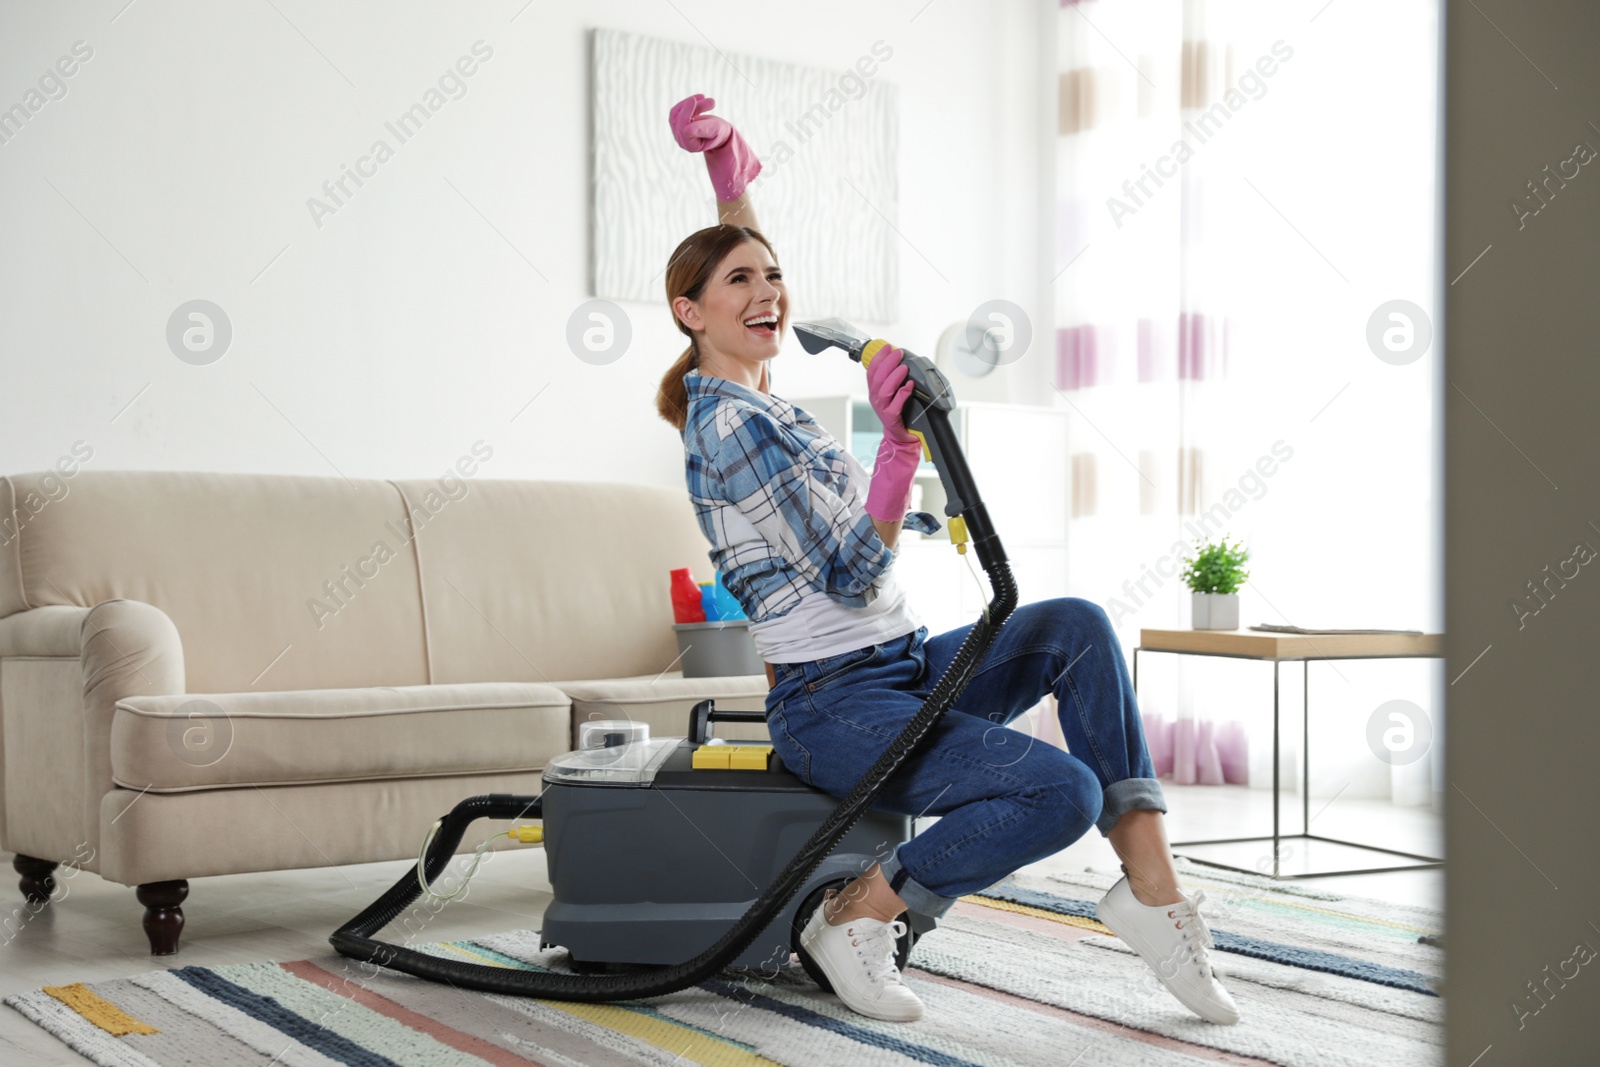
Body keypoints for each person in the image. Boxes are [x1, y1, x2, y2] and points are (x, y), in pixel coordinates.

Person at [655, 94, 1239, 1027]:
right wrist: (897, 449)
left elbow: (739, 264)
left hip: (899, 668)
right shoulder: (728, 425)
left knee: (1078, 627)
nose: (768, 291)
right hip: (830, 704)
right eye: (741, 283)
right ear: (690, 313)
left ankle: (1154, 894)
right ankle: (860, 912)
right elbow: (851, 574)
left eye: (773, 276)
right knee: (1058, 790)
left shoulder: (756, 382)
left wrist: (729, 171)